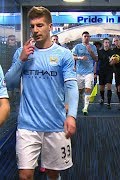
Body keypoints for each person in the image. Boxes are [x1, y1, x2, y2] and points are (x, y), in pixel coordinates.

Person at [5, 6, 78, 180]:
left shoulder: (64, 54)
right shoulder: (22, 53)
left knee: (53, 174)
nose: (35, 30)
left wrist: (72, 115)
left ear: (50, 26)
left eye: (40, 25)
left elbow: (71, 86)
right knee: (25, 175)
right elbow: (9, 83)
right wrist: (21, 60)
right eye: (32, 26)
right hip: (27, 125)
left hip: (55, 124)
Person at [72, 31, 98, 115]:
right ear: (82, 37)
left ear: (89, 38)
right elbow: (72, 57)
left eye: (88, 36)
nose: (86, 38)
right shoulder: (77, 46)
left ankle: (85, 108)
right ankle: (77, 104)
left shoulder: (93, 47)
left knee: (88, 89)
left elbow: (96, 59)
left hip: (89, 72)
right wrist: (80, 57)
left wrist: (91, 52)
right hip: (79, 72)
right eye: (85, 36)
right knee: (79, 90)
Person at [97, 38, 114, 108]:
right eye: (105, 42)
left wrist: (112, 62)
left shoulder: (112, 52)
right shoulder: (99, 52)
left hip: (109, 71)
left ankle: (109, 103)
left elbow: (114, 61)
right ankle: (102, 98)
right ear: (103, 43)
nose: (107, 44)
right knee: (101, 88)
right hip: (101, 71)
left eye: (108, 42)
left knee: (109, 87)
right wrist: (95, 72)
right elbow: (96, 61)